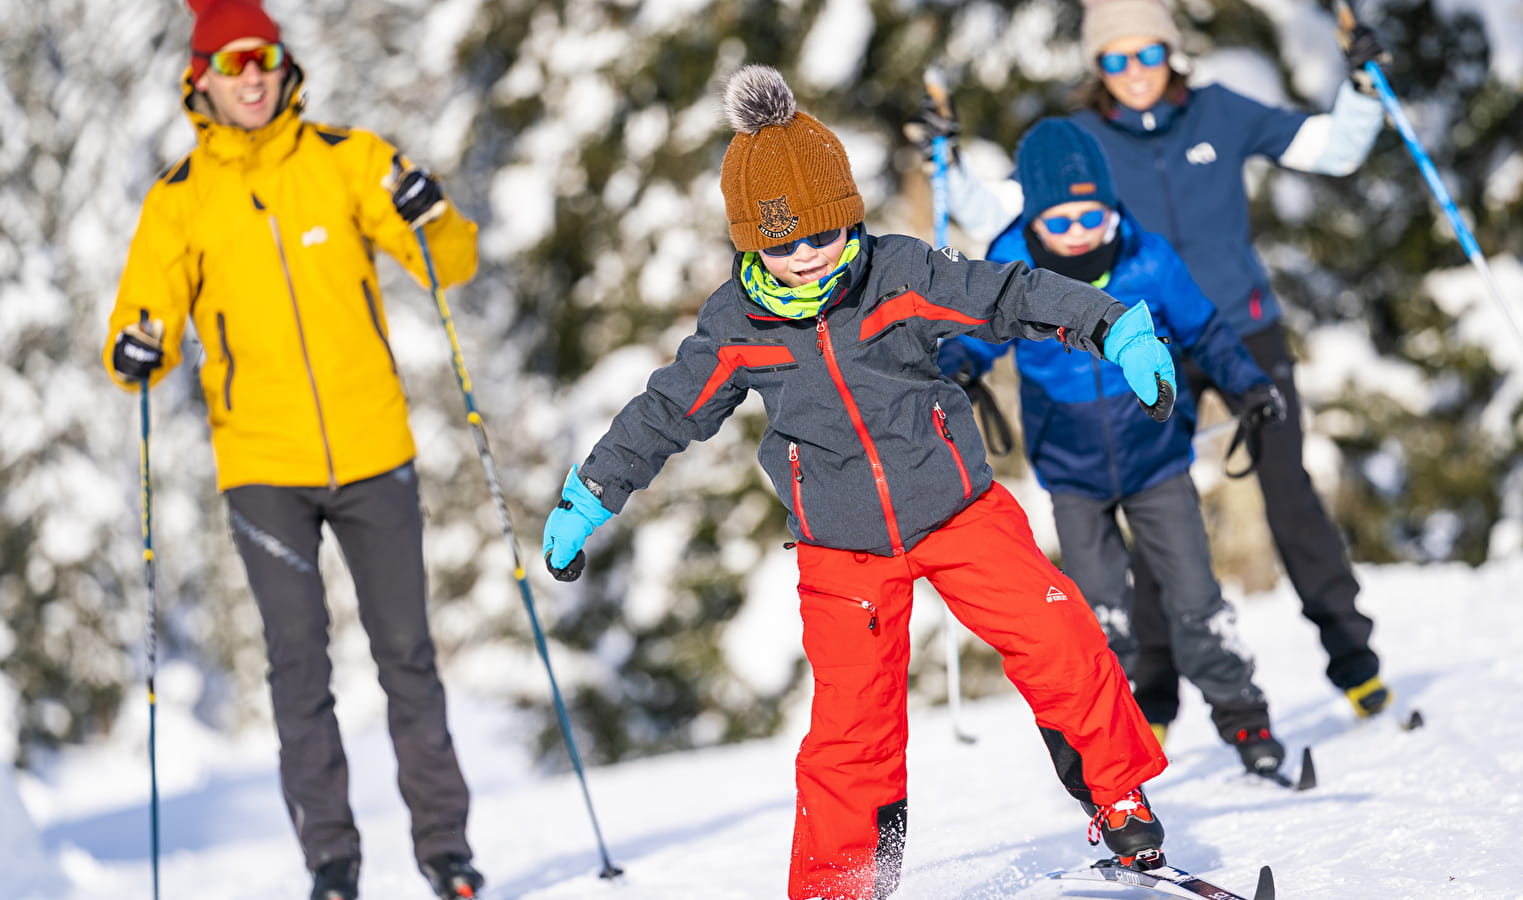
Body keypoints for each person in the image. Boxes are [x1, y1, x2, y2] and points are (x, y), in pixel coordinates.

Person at [543, 64, 1177, 900]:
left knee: (1059, 636)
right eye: (782, 243)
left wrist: (1112, 325)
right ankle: (842, 883)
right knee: (850, 730)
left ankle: (1115, 795)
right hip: (841, 549)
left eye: (823, 235)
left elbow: (1007, 294)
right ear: (750, 242)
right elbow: (664, 414)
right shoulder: (736, 326)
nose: (807, 257)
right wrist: (591, 495)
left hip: (957, 510)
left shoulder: (899, 274)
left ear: (849, 219)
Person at [925, 0, 1395, 731]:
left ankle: (1353, 659)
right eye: (1113, 59)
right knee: (1151, 506)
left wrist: (1362, 87)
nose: (1132, 72)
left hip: (1240, 331)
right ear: (1095, 67)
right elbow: (998, 216)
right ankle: (1155, 694)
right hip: (1139, 340)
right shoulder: (1076, 140)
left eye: (1146, 54)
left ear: (1170, 54)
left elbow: (1330, 149)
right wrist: (945, 163)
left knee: (1289, 494)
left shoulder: (1220, 113)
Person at [102, 2, 484, 898]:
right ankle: (332, 863)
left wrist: (432, 217)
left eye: (264, 58)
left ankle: (446, 853)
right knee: (297, 666)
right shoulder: (179, 198)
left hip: (372, 449)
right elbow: (139, 317)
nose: (251, 75)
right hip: (262, 468)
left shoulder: (348, 160)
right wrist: (135, 347)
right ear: (200, 77)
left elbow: (447, 262)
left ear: (283, 66)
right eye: (232, 62)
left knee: (407, 657)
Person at [938, 118, 1291, 773]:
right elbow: (975, 334)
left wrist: (1245, 383)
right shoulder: (1011, 267)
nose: (1077, 235)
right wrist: (951, 361)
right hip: (1070, 473)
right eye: (1059, 222)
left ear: (1110, 206)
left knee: (1194, 601)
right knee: (1100, 616)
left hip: (1156, 459)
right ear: (1033, 218)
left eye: (1090, 216)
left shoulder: (1147, 255)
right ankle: (1114, 753)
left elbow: (1206, 332)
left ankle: (1245, 723)